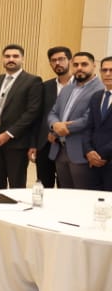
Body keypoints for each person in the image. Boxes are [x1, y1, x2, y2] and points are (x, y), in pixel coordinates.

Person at [0, 44, 42, 190]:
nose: (11, 59)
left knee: (17, 186)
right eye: (7, 56)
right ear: (3, 59)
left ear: (22, 59)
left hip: (16, 142)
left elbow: (32, 112)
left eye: (15, 56)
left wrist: (8, 134)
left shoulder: (32, 81)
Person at [45, 51, 99, 189]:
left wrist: (60, 129)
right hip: (60, 150)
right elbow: (53, 112)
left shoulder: (100, 89)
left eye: (84, 64)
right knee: (65, 193)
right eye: (76, 64)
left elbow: (89, 118)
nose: (79, 68)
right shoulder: (67, 88)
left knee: (83, 194)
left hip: (82, 151)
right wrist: (54, 125)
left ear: (94, 65)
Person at [33, 46, 72, 188]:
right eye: (53, 60)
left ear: (70, 60)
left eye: (61, 59)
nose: (57, 63)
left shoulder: (81, 86)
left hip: (69, 142)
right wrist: (33, 144)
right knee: (44, 186)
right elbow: (38, 116)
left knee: (65, 187)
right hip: (45, 143)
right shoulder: (45, 86)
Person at [85, 56, 112, 191]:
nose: (107, 74)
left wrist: (100, 154)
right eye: (104, 70)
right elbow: (89, 127)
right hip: (93, 163)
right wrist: (89, 151)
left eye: (111, 70)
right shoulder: (96, 96)